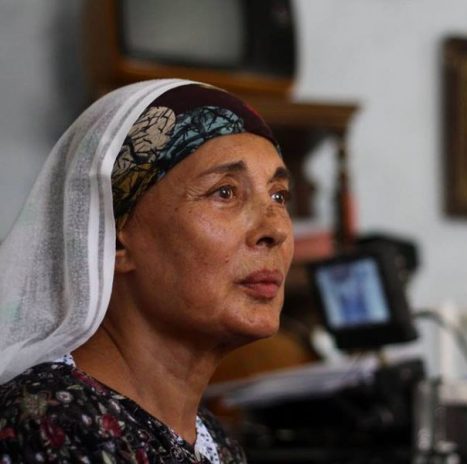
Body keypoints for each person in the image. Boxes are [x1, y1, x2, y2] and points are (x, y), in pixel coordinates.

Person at [0, 80, 294, 463]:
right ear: (114, 239)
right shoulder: (51, 424)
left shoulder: (215, 442)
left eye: (278, 196)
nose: (276, 228)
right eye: (224, 192)